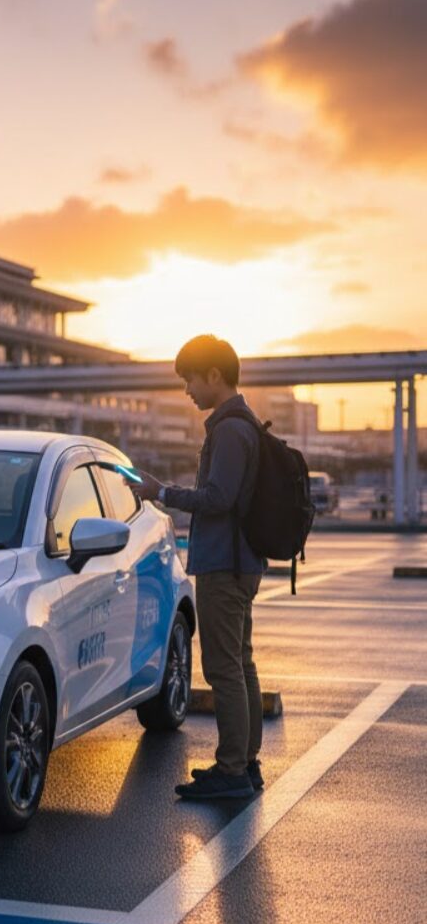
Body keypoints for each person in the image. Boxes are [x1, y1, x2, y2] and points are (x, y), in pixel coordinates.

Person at [127, 335, 267, 800]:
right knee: (240, 663)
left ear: (214, 375)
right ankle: (244, 763)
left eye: (190, 379)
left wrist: (162, 492)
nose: (187, 390)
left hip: (225, 565)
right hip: (240, 561)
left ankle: (233, 770)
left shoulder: (229, 430)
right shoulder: (243, 424)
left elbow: (218, 498)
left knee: (224, 668)